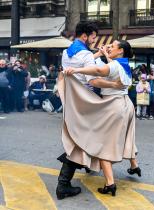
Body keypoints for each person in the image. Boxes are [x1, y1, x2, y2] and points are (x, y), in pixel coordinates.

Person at [56, 21, 124, 200]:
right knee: (82, 141)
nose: (95, 39)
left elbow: (80, 63)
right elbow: (92, 80)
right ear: (85, 36)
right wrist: (114, 84)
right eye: (93, 36)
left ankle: (85, 166)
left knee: (80, 137)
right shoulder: (85, 54)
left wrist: (97, 55)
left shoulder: (66, 51)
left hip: (72, 101)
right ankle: (62, 185)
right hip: (86, 100)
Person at [64, 39, 140, 197]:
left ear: (120, 51)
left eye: (112, 46)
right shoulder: (124, 64)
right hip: (126, 104)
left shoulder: (113, 66)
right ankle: (134, 165)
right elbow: (111, 65)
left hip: (114, 106)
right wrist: (105, 53)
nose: (109, 47)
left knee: (103, 144)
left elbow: (99, 71)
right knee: (126, 138)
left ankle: (110, 184)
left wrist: (77, 70)